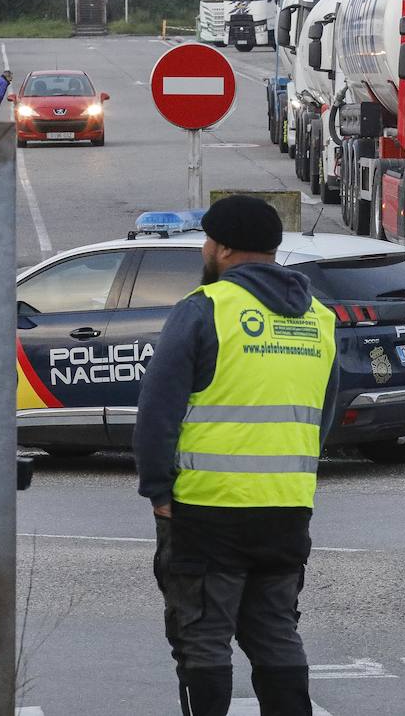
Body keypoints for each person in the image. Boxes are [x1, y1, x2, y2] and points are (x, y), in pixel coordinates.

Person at [134, 195, 340, 716]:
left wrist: (159, 490)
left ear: (223, 248)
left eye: (206, 240)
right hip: (287, 509)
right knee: (275, 633)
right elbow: (325, 413)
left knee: (201, 635)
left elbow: (158, 409)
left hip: (206, 510)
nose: (204, 249)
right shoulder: (318, 318)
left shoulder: (204, 309)